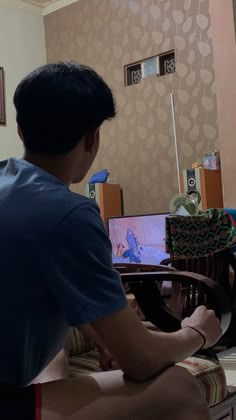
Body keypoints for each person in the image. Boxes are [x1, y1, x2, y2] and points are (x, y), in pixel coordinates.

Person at [0, 61, 222, 420]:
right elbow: (141, 360)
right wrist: (196, 332)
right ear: (92, 138)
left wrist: (107, 333)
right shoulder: (69, 213)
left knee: (54, 350)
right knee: (180, 390)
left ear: (21, 131)